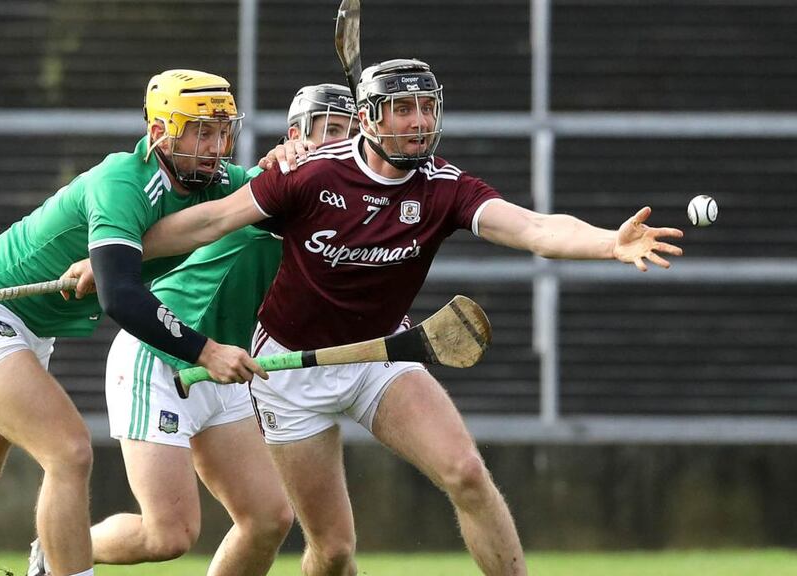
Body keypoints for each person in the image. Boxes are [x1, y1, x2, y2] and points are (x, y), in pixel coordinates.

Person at [140, 59, 685, 576]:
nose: (420, 121)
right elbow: (209, 221)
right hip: (289, 371)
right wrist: (116, 255)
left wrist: (608, 242)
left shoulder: (443, 187)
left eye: (427, 107)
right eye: (404, 108)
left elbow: (534, 228)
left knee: (467, 474)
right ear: (370, 116)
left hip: (381, 354)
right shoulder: (310, 175)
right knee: (332, 553)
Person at [0, 69, 289, 576]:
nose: (215, 145)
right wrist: (207, 352)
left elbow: (280, 205)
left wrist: (291, 165)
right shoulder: (122, 180)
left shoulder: (218, 181)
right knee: (68, 453)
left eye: (223, 131)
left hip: (28, 328)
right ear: (159, 133)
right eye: (200, 131)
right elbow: (121, 297)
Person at [26, 83, 361, 576]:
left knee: (268, 519)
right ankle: (60, 548)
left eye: (351, 136)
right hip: (161, 355)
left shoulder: (357, 212)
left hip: (223, 364)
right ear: (297, 136)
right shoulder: (278, 183)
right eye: (330, 131)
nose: (339, 144)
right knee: (168, 535)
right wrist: (110, 258)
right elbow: (202, 221)